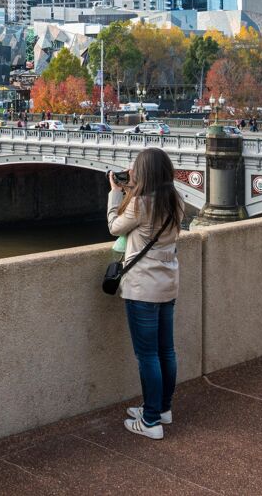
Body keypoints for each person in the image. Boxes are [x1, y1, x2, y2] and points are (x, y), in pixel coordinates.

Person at [107, 147, 184, 440]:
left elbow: (114, 227)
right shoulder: (176, 199)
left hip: (142, 288)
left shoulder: (140, 203)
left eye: (137, 167)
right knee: (166, 350)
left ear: (145, 172)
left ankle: (150, 422)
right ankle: (162, 408)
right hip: (167, 283)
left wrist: (116, 193)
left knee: (147, 355)